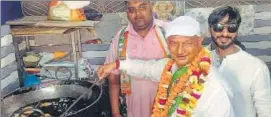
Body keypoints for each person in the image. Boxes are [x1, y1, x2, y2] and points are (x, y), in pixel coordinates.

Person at [99, 16, 235, 117]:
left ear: (199, 42)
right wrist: (116, 64)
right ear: (168, 44)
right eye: (174, 43)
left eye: (187, 43)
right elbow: (146, 68)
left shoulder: (213, 85)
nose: (180, 51)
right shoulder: (170, 67)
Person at [104, 1, 169, 117]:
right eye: (131, 10)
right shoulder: (121, 37)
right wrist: (115, 113)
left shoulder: (167, 32)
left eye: (142, 7)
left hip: (166, 107)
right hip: (131, 109)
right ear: (127, 13)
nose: (138, 14)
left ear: (151, 7)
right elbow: (113, 77)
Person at [208, 6, 271, 117]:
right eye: (218, 27)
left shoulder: (256, 67)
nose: (225, 33)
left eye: (231, 27)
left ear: (237, 30)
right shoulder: (201, 60)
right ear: (210, 30)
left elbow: (265, 111)